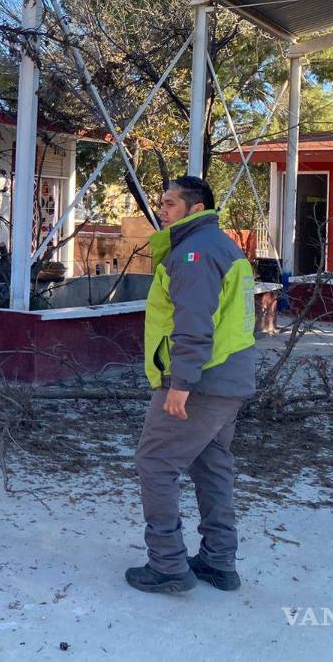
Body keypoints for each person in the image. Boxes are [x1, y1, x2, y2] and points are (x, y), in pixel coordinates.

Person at [125, 176, 258, 595]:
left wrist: (179, 383)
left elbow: (193, 323)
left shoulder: (194, 253)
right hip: (227, 381)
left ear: (195, 208)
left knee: (155, 463)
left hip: (200, 382)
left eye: (170, 203)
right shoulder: (218, 245)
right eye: (162, 202)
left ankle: (166, 565)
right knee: (211, 465)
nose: (162, 210)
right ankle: (219, 562)